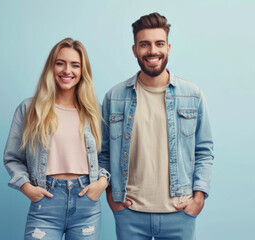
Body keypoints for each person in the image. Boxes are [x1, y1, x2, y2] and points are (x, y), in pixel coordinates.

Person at [99, 12, 214, 240]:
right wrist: (112, 195)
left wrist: (199, 197)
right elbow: (104, 153)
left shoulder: (192, 95)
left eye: (159, 43)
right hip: (129, 213)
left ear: (168, 48)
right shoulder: (115, 97)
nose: (153, 51)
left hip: (179, 212)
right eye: (145, 44)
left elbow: (204, 151)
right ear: (135, 50)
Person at [4, 38, 110, 240]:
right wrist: (26, 188)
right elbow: (12, 158)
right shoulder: (29, 109)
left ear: (83, 71)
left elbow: (105, 154)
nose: (67, 70)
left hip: (86, 204)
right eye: (60, 63)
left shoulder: (93, 111)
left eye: (75, 65)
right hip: (45, 204)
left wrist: (102, 182)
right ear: (51, 67)